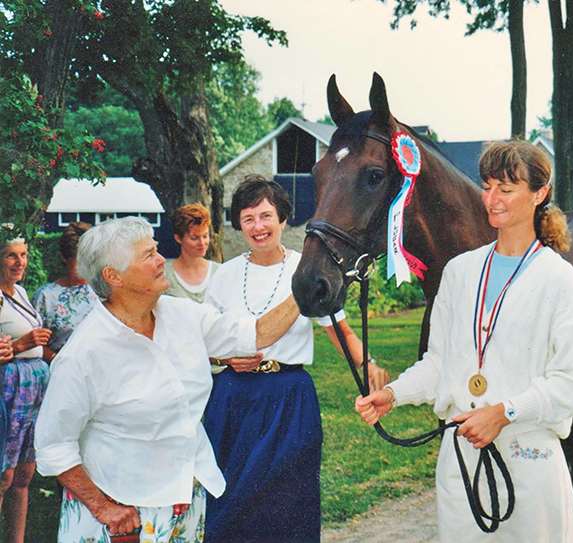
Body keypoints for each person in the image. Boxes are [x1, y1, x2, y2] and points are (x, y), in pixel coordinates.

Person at [355, 141, 573, 543]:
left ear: (539, 194)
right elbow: (440, 364)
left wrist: (504, 412)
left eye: (506, 188)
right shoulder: (460, 272)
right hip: (462, 463)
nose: (491, 199)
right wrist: (394, 395)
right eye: (487, 186)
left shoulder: (559, 279)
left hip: (529, 458)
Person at [34, 217, 302, 543]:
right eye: (148, 255)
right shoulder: (82, 354)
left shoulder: (181, 314)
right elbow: (53, 446)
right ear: (113, 276)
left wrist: (305, 290)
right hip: (121, 519)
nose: (162, 259)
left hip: (184, 503)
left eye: (156, 250)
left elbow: (255, 334)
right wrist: (102, 507)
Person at [203, 175, 390, 543]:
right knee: (231, 499)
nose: (258, 226)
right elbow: (203, 341)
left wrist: (367, 365)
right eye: (248, 218)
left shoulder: (307, 269)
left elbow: (340, 331)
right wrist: (225, 361)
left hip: (289, 398)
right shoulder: (223, 276)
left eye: (266, 215)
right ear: (238, 224)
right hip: (233, 399)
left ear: (283, 218)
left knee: (288, 501)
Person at [0, 238, 53, 543]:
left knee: (23, 475)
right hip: (9, 386)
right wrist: (23, 344)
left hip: (33, 386)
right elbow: (10, 348)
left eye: (23, 255)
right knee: (3, 475)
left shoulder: (20, 292)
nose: (19, 262)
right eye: (11, 256)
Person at [33, 222, 99, 353]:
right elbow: (35, 343)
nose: (84, 266)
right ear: (64, 257)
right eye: (78, 260)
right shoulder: (46, 296)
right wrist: (56, 361)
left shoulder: (104, 291)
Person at [164, 204, 219, 303]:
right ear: (178, 238)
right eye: (194, 238)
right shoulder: (165, 275)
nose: (202, 243)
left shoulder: (219, 272)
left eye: (205, 236)